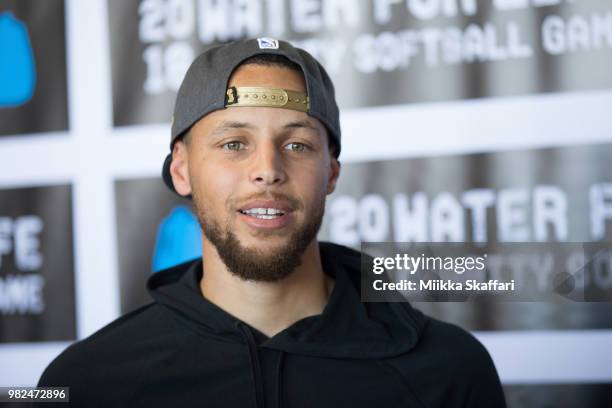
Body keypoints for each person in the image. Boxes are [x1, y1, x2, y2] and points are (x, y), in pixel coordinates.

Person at [37, 38, 506, 407]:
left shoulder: (450, 371)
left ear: (332, 173)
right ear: (181, 169)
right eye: (233, 143)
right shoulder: (85, 382)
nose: (267, 169)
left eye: (298, 144)